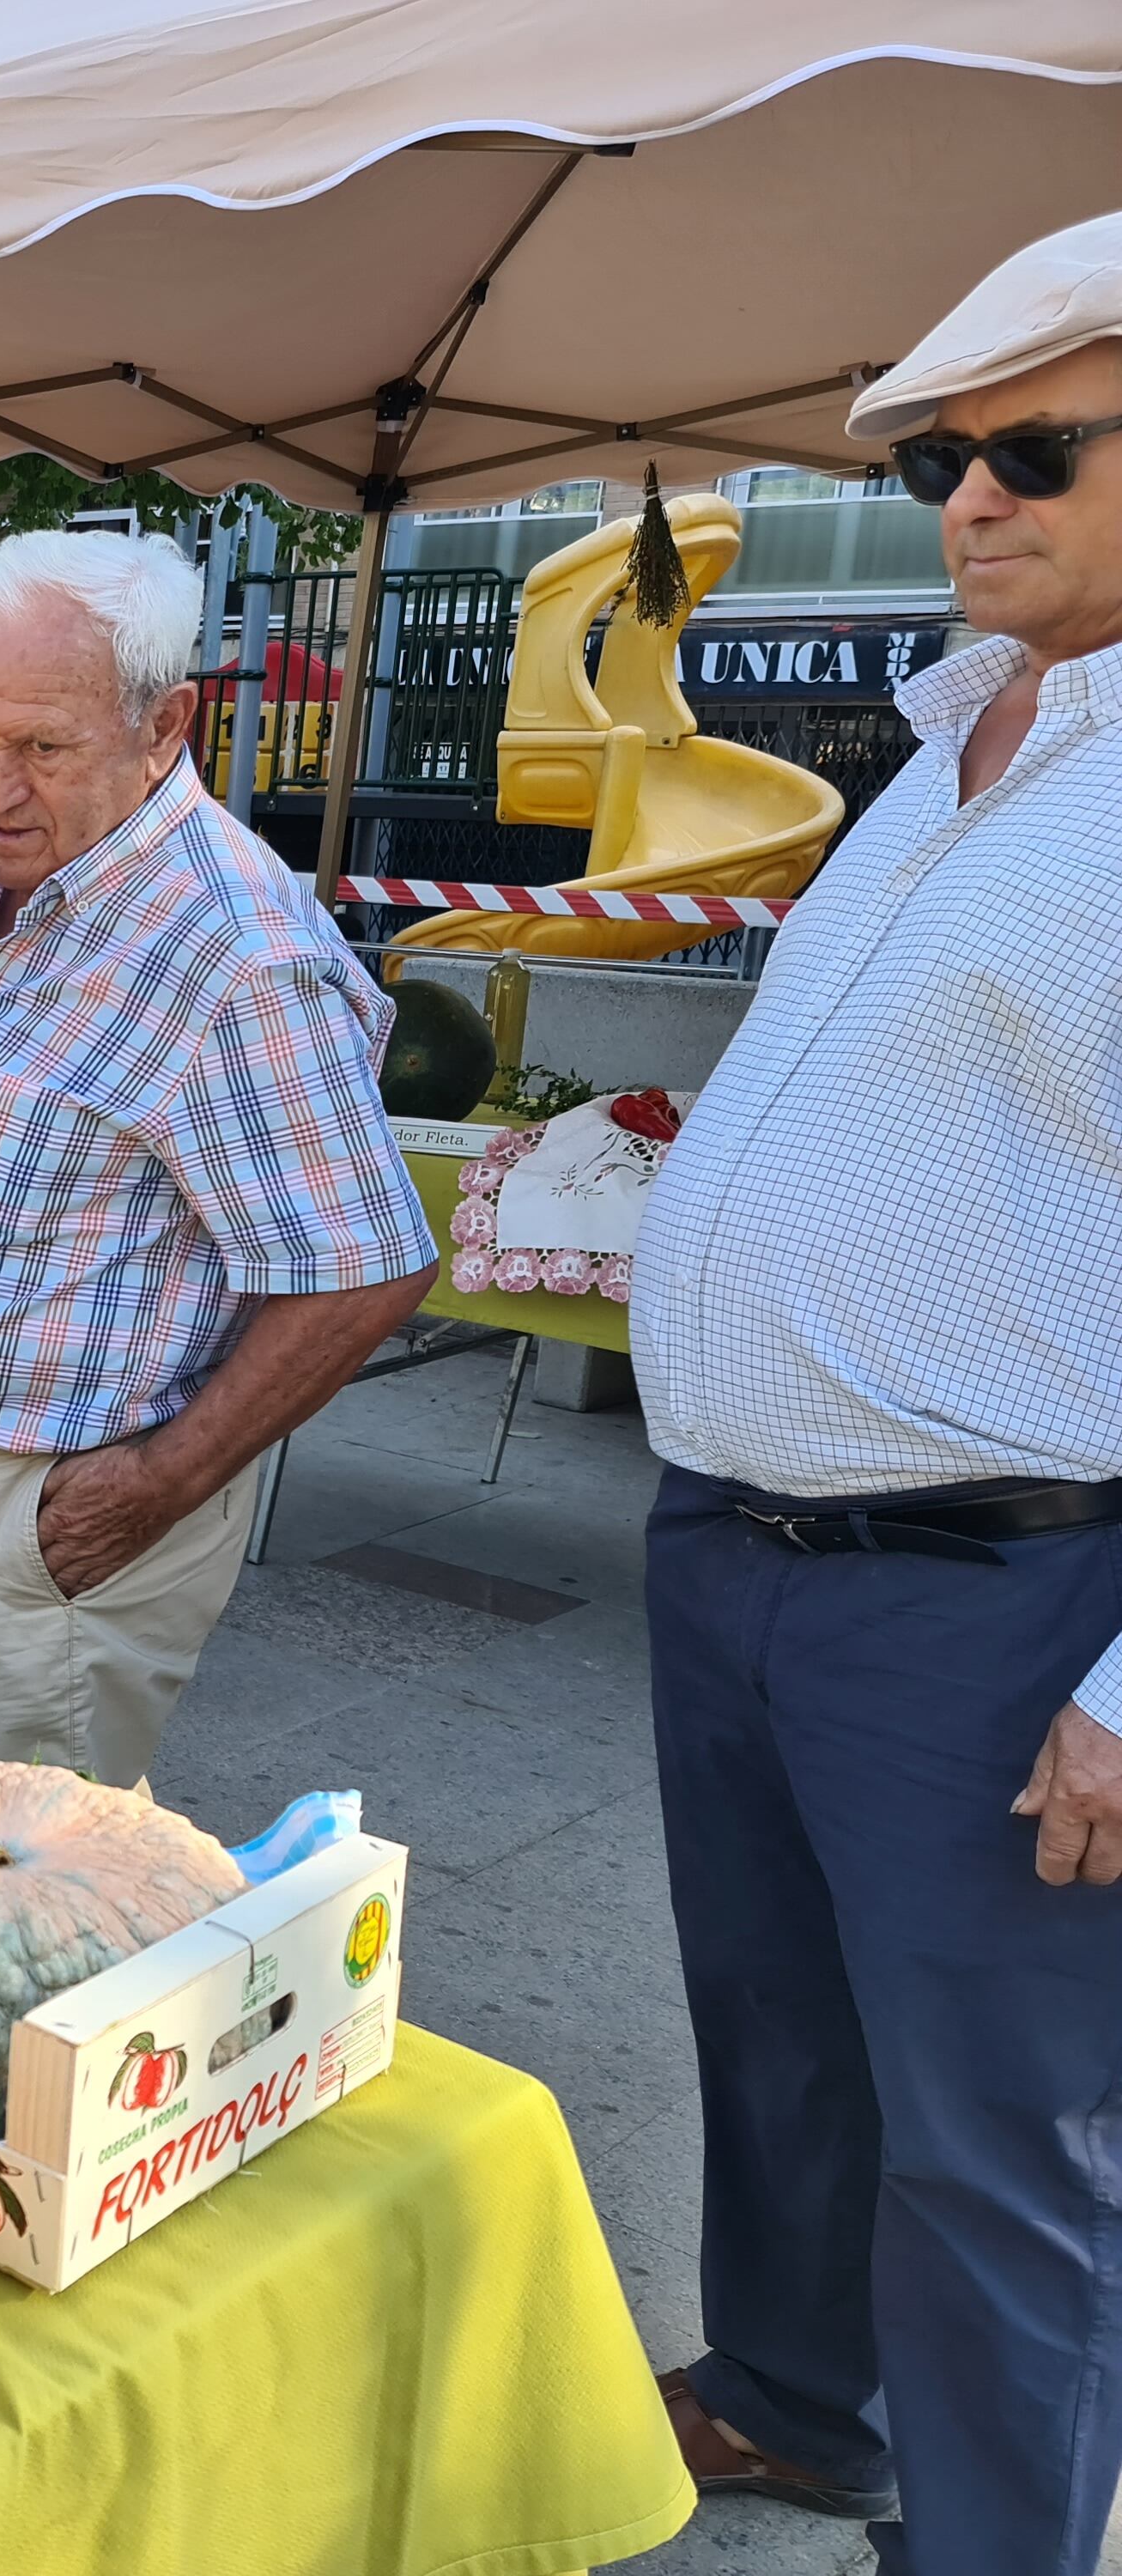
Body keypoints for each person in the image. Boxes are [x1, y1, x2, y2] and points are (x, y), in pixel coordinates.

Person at [626, 211, 1122, 2576]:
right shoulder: (948, 754)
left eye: (1037, 450)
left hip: (987, 1597)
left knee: (999, 2148)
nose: (971, 497)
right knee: (778, 2046)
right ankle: (798, 2398)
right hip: (738, 1548)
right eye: (940, 459)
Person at [0, 530, 433, 1783]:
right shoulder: (11, 866)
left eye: (42, 747)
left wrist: (150, 1486)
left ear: (165, 726)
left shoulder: (236, 952)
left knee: (19, 1875)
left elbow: (366, 1267)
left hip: (39, 1508)